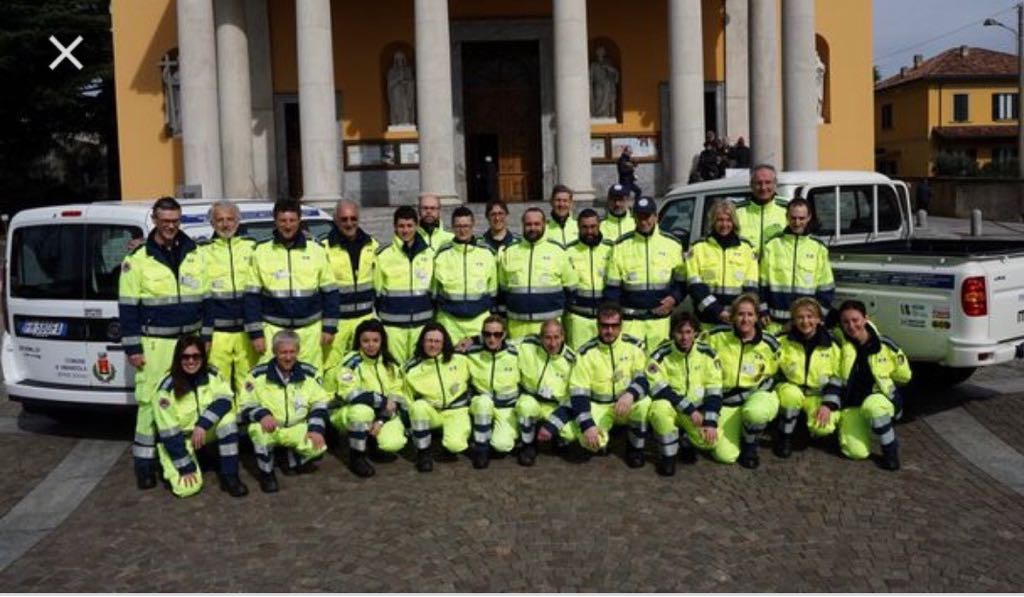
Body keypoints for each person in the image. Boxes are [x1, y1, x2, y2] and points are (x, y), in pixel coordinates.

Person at [119, 196, 208, 489]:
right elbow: (128, 307)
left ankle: (183, 456)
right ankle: (144, 464)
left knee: (186, 400)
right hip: (155, 344)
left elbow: (206, 301)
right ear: (154, 220)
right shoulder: (137, 259)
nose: (170, 226)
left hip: (189, 342)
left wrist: (205, 339)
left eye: (175, 221)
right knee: (150, 403)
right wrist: (133, 348)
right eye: (165, 221)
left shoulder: (195, 253)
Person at [244, 199, 339, 372]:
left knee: (311, 380)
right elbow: (251, 297)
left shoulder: (316, 250)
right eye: (283, 221)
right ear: (275, 221)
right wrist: (256, 334)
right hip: (273, 330)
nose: (288, 226)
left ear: (299, 220)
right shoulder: (261, 252)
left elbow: (330, 292)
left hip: (310, 330)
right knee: (269, 382)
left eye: (292, 220)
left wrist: (329, 327)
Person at [153, 335, 247, 498]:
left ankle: (230, 475)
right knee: (187, 489)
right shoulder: (165, 389)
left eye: (196, 356)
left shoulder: (212, 374)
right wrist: (185, 467)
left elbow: (225, 398)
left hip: (202, 431)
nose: (191, 361)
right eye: (186, 357)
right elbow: (169, 433)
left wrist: (202, 424)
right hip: (179, 440)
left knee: (228, 421)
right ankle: (174, 464)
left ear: (203, 357)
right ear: (178, 358)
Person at [239, 330, 329, 493]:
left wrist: (316, 430)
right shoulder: (257, 374)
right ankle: (267, 474)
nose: (288, 357)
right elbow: (245, 405)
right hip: (272, 427)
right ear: (274, 352)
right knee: (258, 431)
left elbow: (320, 403)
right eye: (283, 352)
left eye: (292, 352)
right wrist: (262, 414)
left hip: (297, 426)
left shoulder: (310, 373)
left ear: (298, 351)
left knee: (319, 446)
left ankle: (288, 458)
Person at [564, 302, 651, 467]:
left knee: (645, 403)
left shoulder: (635, 346)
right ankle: (608, 435)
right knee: (589, 441)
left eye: (614, 326)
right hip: (600, 406)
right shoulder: (585, 353)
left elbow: (643, 379)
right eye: (604, 326)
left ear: (621, 325)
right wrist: (588, 425)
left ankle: (635, 448)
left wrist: (630, 394)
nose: (609, 331)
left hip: (626, 403)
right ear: (597, 325)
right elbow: (578, 393)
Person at [700, 294, 780, 468]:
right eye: (741, 314)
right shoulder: (715, 337)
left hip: (757, 396)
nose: (745, 319)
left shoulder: (770, 343)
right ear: (732, 316)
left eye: (750, 315)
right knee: (725, 455)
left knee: (755, 413)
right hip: (727, 402)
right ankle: (740, 432)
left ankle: (750, 444)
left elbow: (776, 373)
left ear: (757, 317)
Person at [834, 300, 911, 471]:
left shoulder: (885, 345)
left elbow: (905, 376)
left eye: (855, 320)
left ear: (866, 319)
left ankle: (890, 452)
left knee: (873, 408)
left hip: (879, 398)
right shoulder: (840, 343)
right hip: (852, 403)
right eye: (846, 322)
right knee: (856, 453)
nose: (851, 326)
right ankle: (853, 429)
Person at [604, 196, 687, 352]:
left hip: (661, 322)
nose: (644, 221)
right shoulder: (621, 245)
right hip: (631, 322)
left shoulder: (673, 244)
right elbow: (612, 290)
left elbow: (681, 283)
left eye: (647, 216)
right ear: (634, 218)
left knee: (658, 369)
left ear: (656, 217)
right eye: (640, 216)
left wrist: (674, 299)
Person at [646, 312, 724, 476]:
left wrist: (710, 422)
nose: (684, 337)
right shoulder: (660, 355)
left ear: (695, 332)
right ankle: (668, 457)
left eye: (689, 332)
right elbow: (659, 389)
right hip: (674, 408)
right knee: (658, 409)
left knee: (711, 442)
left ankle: (686, 440)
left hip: (697, 411)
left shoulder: (708, 354)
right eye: (679, 332)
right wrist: (689, 409)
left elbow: (714, 390)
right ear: (672, 333)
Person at [328, 319, 408, 478]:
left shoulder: (390, 363)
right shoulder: (350, 362)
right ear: (358, 341)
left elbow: (397, 394)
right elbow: (350, 395)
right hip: (346, 411)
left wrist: (381, 420)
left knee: (393, 444)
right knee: (362, 412)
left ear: (382, 341)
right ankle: (357, 456)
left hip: (381, 413)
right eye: (365, 341)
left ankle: (373, 445)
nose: (370, 345)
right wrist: (383, 401)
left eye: (375, 340)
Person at [200, 201, 259, 402]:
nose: (225, 224)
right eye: (220, 220)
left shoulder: (253, 247)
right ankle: (225, 428)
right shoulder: (201, 252)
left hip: (246, 331)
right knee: (219, 383)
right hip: (218, 332)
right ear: (212, 223)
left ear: (238, 220)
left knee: (249, 382)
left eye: (230, 219)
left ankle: (248, 427)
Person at [773, 298, 842, 458]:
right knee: (791, 395)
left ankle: (809, 429)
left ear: (819, 319)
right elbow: (772, 371)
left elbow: (838, 378)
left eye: (810, 317)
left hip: (817, 395)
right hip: (791, 389)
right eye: (800, 317)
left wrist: (827, 404)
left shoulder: (832, 346)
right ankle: (785, 436)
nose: (805, 321)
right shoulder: (782, 342)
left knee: (823, 428)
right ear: (794, 320)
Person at [404, 323, 477, 472]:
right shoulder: (411, 368)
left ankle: (457, 438)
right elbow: (405, 398)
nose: (433, 345)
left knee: (455, 445)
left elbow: (493, 343)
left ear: (444, 343)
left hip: (456, 411)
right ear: (422, 342)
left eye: (437, 342)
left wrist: (474, 339)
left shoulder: (460, 359)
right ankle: (423, 453)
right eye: (429, 341)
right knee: (418, 407)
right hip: (432, 412)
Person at [498, 207, 578, 339]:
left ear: (544, 225)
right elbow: (503, 289)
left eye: (536, 224)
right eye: (528, 224)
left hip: (549, 328)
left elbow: (571, 288)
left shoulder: (558, 252)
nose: (532, 228)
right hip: (517, 327)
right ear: (522, 225)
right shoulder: (510, 252)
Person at [759, 197, 835, 332]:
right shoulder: (772, 245)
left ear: (809, 217)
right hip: (774, 323)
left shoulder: (818, 247)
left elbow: (826, 288)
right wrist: (762, 310)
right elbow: (761, 283)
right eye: (793, 218)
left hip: (806, 324)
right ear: (786, 216)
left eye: (801, 218)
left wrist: (819, 316)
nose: (797, 222)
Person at [322, 199, 378, 374]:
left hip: (364, 318)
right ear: (336, 220)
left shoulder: (372, 245)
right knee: (331, 366)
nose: (349, 223)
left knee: (365, 366)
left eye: (353, 218)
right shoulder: (324, 248)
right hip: (337, 321)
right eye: (344, 219)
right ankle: (331, 399)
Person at [374, 205, 435, 364]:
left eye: (409, 226)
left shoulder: (429, 255)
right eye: (401, 226)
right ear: (394, 227)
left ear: (416, 226)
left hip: (422, 325)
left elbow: (434, 290)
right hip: (393, 328)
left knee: (420, 368)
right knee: (395, 367)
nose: (405, 230)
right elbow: (377, 292)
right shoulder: (383, 255)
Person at [459, 315, 521, 469]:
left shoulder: (516, 352)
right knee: (483, 402)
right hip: (480, 404)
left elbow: (535, 338)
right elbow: (449, 350)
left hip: (506, 407)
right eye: (487, 334)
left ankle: (502, 433)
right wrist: (472, 340)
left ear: (505, 334)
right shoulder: (471, 352)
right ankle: (481, 448)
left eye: (497, 334)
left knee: (502, 446)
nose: (492, 339)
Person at [432, 207, 498, 345]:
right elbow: (434, 291)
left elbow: (493, 292)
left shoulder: (487, 253)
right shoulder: (442, 254)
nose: (462, 230)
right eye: (458, 226)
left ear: (473, 225)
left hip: (478, 323)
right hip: (449, 323)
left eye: (466, 226)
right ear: (452, 227)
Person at [686, 199, 759, 325]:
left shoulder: (747, 248)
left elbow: (751, 287)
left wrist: (738, 313)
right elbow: (695, 287)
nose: (724, 224)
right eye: (720, 220)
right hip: (707, 320)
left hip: (737, 321)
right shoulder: (698, 248)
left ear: (734, 222)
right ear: (713, 222)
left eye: (728, 220)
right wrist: (717, 311)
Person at [520, 319, 577, 465]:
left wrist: (552, 424)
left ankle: (558, 439)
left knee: (571, 434)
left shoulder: (572, 361)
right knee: (525, 406)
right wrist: (474, 340)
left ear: (563, 336)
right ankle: (528, 445)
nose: (552, 343)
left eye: (556, 337)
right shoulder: (527, 345)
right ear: (540, 337)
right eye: (547, 337)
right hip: (532, 400)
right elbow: (499, 341)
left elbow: (573, 399)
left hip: (556, 407)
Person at [565, 208, 614, 351]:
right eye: (584, 227)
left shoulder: (611, 249)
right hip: (578, 319)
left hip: (605, 319)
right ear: (578, 227)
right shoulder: (568, 251)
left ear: (599, 226)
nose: (589, 231)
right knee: (579, 360)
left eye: (593, 227)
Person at [736, 164, 788, 260]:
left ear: (775, 184)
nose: (763, 187)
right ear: (751, 185)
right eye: (758, 183)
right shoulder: (737, 211)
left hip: (775, 272)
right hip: (745, 272)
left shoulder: (788, 210)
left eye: (768, 182)